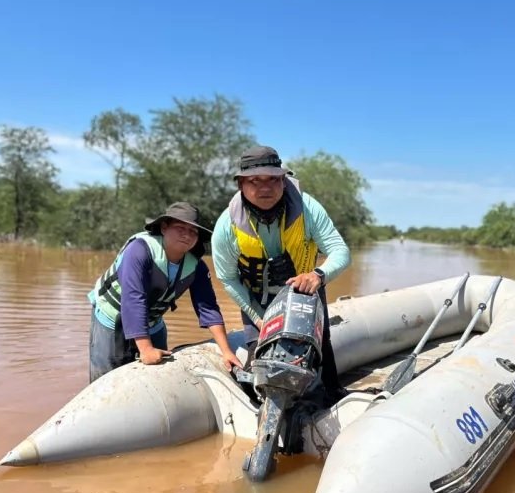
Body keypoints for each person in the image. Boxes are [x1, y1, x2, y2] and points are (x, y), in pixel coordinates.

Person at [211, 145, 351, 404]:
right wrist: (258, 317)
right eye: (254, 180)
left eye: (273, 179)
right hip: (256, 299)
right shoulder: (225, 226)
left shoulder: (308, 208)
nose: (265, 187)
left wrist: (318, 275)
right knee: (257, 363)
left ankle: (332, 394)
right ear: (241, 184)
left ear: (284, 181)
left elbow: (340, 251)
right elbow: (227, 278)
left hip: (305, 292)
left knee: (321, 354)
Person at [88, 202, 241, 382]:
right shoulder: (139, 250)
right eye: (180, 228)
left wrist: (226, 351)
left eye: (193, 231)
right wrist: (146, 349)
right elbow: (133, 299)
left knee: (157, 376)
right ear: (163, 227)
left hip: (153, 321)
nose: (187, 235)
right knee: (108, 379)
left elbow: (208, 308)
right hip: (112, 318)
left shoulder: (196, 266)